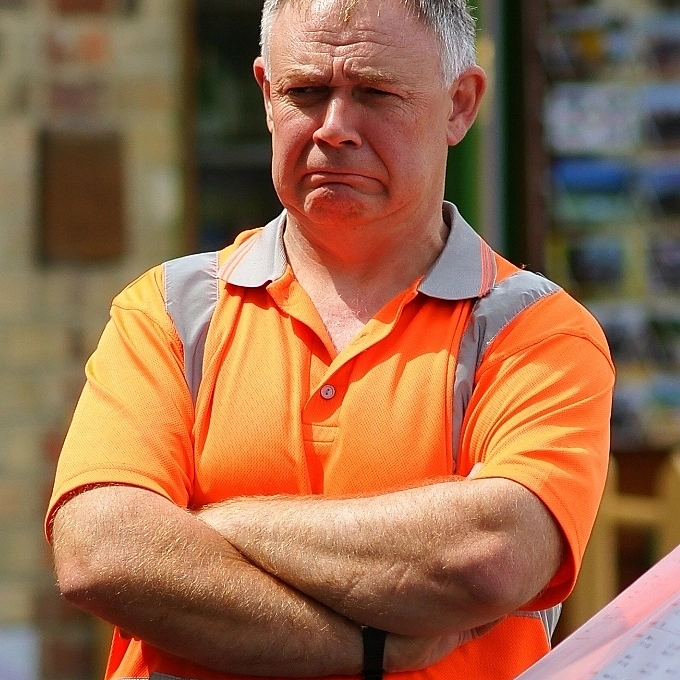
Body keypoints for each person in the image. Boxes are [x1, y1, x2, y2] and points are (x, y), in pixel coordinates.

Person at [46, 0, 615, 679]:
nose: (335, 127)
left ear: (460, 105)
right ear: (267, 95)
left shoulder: (536, 333)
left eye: (375, 93)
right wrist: (368, 649)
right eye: (307, 92)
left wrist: (205, 527)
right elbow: (100, 552)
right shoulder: (171, 311)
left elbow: (488, 558)